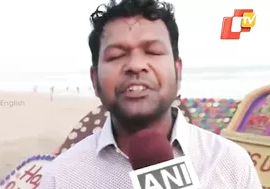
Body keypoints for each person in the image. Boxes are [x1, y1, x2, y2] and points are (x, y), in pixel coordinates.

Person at [39, 0, 262, 188]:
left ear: (178, 70)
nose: (135, 65)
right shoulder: (61, 177)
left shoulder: (230, 163)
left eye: (153, 51)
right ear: (94, 79)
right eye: (116, 55)